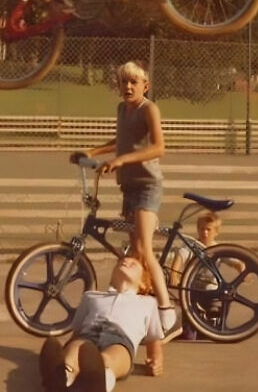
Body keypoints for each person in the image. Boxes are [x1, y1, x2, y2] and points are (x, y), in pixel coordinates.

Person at [71, 61, 178, 338]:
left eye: (134, 82)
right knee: (133, 251)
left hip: (147, 186)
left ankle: (167, 313)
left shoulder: (149, 109)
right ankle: (140, 302)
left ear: (146, 85)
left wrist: (121, 160)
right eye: (123, 82)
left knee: (143, 248)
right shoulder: (122, 109)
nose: (128, 87)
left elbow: (158, 147)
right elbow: (121, 141)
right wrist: (92, 152)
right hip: (128, 187)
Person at [39, 255, 164, 392]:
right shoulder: (91, 296)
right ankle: (61, 378)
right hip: (88, 334)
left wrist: (156, 360)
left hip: (121, 340)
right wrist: (67, 349)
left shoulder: (147, 303)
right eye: (121, 262)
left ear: (143, 283)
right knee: (75, 352)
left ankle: (97, 382)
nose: (126, 261)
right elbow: (77, 331)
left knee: (108, 359)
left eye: (133, 264)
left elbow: (154, 339)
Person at [169, 210, 233, 341]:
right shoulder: (192, 246)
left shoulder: (218, 248)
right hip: (193, 287)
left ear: (216, 232)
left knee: (220, 300)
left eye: (209, 230)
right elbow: (180, 257)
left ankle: (213, 323)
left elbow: (232, 260)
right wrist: (174, 273)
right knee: (188, 305)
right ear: (197, 229)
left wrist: (241, 266)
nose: (205, 233)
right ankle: (189, 329)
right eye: (202, 229)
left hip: (211, 287)